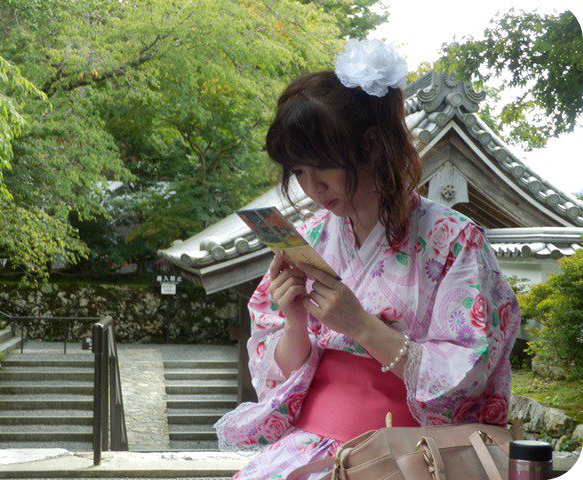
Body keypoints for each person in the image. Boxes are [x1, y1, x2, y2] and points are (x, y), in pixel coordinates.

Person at [214, 38, 521, 480]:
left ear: (372, 144)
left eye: (323, 165)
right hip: (309, 445)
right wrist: (295, 322)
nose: (312, 187)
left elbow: (469, 377)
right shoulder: (312, 237)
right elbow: (276, 374)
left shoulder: (455, 240)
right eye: (298, 171)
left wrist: (360, 325)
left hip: (411, 454)